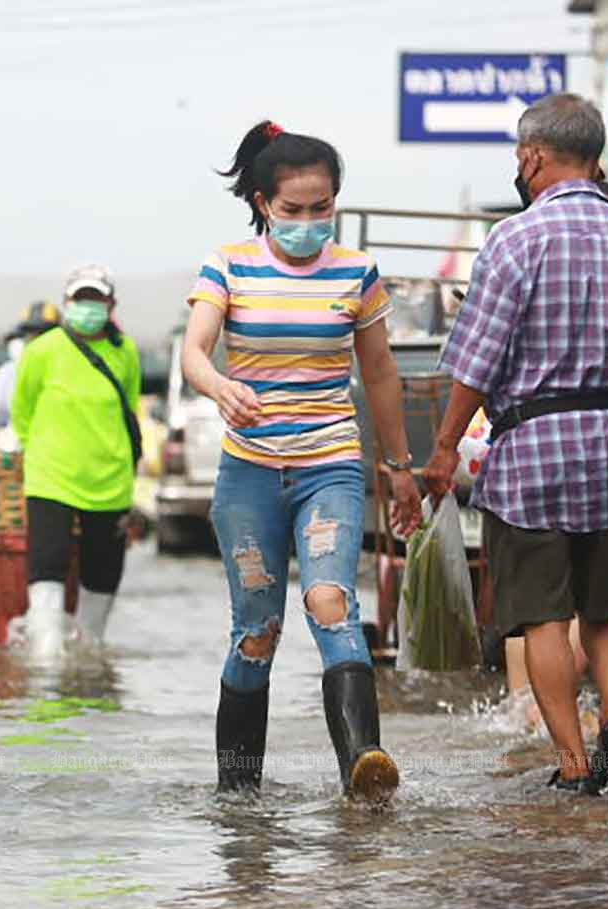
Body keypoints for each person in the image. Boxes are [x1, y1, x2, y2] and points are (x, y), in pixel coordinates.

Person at [424, 94, 608, 794]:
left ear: (533, 156)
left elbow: (474, 362)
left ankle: (576, 762)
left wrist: (446, 447)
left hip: (534, 449)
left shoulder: (515, 240)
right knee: (607, 606)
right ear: (596, 157)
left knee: (542, 613)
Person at [182, 121, 422, 801]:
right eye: (293, 210)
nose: (309, 222)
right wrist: (219, 384)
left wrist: (398, 467)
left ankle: (364, 766)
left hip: (330, 464)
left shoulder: (356, 273)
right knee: (258, 629)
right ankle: (238, 796)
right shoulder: (228, 264)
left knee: (330, 601)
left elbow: (378, 376)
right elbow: (195, 350)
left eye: (323, 208)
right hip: (249, 473)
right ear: (262, 202)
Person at [13, 265, 140, 657]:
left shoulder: (126, 351)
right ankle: (45, 655)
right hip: (50, 477)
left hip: (111, 480)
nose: (88, 307)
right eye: (80, 299)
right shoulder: (42, 351)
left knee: (102, 575)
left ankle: (90, 651)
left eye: (96, 299)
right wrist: (41, 453)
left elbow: (129, 408)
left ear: (111, 304)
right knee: (46, 565)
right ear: (67, 304)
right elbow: (23, 413)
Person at [0, 301, 60, 444]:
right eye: (32, 333)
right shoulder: (10, 369)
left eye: (43, 333)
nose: (37, 339)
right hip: (17, 439)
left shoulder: (65, 366)